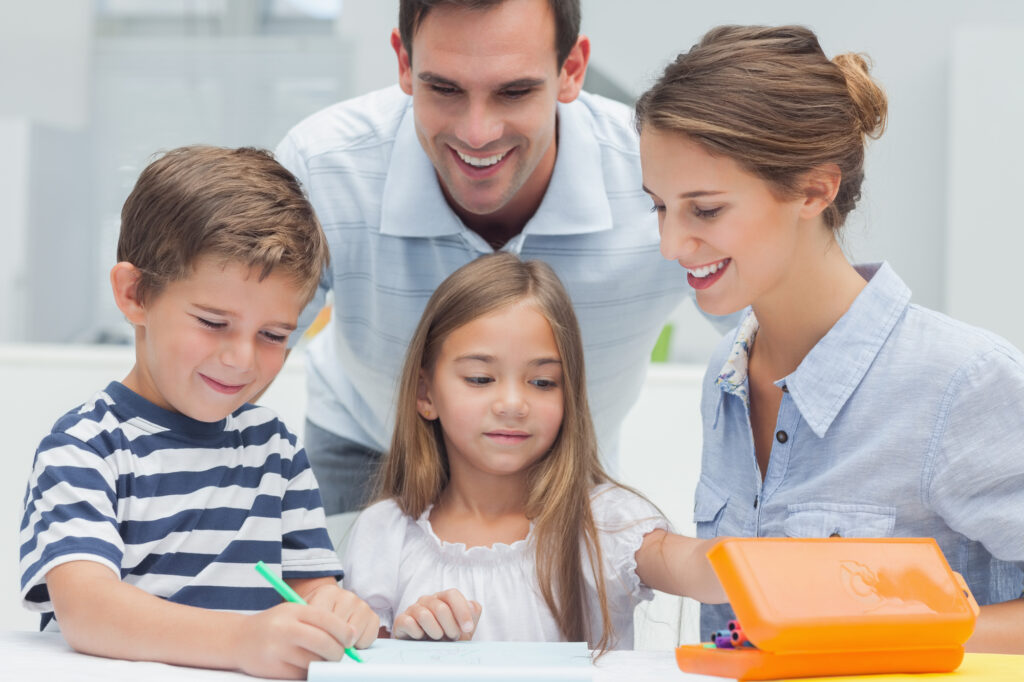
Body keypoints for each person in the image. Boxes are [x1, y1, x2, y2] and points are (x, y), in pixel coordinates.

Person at [635, 25, 1024, 653]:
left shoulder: (962, 384)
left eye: (704, 210)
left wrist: (907, 631)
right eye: (659, 206)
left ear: (815, 189)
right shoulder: (725, 378)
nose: (671, 244)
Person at [275, 0, 733, 516]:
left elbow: (782, 332)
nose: (478, 133)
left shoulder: (657, 177)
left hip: (558, 466)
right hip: (372, 449)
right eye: (444, 89)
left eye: (514, 91)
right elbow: (228, 346)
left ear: (571, 70)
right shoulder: (324, 167)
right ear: (404, 64)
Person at [18, 146, 379, 679]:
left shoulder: (275, 451)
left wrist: (337, 613)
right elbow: (87, 611)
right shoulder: (84, 448)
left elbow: (312, 590)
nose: (241, 359)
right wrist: (241, 641)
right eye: (213, 322)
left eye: (274, 335)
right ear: (135, 294)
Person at [341, 253, 726, 651]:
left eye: (542, 382)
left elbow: (701, 567)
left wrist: (783, 564)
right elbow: (361, 661)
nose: (512, 403)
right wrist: (409, 650)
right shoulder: (384, 533)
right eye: (480, 378)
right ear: (425, 394)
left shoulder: (606, 524)